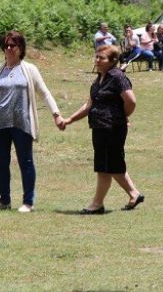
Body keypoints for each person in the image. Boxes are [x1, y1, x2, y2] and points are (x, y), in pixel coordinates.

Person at [0, 31, 64, 212]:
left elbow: (44, 93)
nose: (10, 49)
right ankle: (4, 201)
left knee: (26, 161)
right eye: (7, 46)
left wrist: (56, 114)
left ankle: (28, 201)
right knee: (1, 162)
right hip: (0, 124)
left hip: (23, 123)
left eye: (13, 45)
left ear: (21, 49)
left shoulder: (30, 70)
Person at [61, 44, 145, 214]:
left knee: (104, 167)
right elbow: (89, 105)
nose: (97, 60)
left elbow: (131, 101)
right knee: (112, 164)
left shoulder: (117, 76)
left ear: (113, 61)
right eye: (96, 57)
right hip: (100, 128)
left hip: (112, 128)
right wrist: (70, 119)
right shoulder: (99, 79)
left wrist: (122, 116)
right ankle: (134, 194)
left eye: (102, 58)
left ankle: (97, 204)